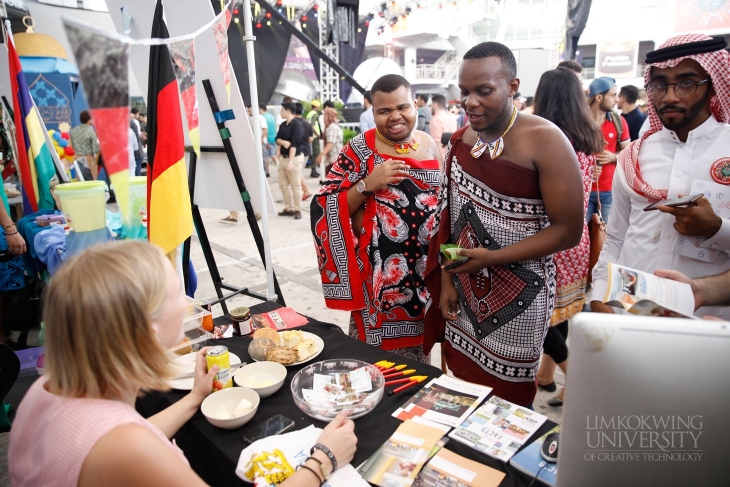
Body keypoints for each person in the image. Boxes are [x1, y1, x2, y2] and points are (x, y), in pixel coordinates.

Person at [8, 240, 357, 486]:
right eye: (178, 292)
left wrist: (194, 398)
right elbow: (126, 446)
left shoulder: (47, 387)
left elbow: (130, 435)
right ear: (147, 328)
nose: (190, 301)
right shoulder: (124, 448)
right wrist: (323, 459)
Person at [423, 42, 584, 407]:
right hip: (463, 294)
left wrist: (493, 258)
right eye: (465, 92)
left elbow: (568, 230)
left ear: (513, 86)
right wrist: (448, 279)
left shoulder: (546, 141)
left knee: (505, 405)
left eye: (484, 91)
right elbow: (451, 220)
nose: (471, 102)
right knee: (461, 394)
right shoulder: (464, 139)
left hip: (521, 302)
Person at [591, 34, 730, 321]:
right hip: (630, 314)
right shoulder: (634, 156)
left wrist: (716, 229)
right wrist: (599, 293)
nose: (669, 96)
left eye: (686, 83)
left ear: (713, 82)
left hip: (707, 323)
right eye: (659, 85)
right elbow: (616, 237)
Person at [311, 74, 442, 362]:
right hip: (377, 286)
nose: (395, 117)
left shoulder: (429, 144)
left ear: (415, 105)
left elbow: (443, 202)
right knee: (370, 367)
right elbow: (323, 204)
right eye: (384, 111)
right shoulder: (359, 150)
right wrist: (368, 183)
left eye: (403, 107)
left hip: (422, 278)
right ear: (374, 113)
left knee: (417, 370)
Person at [532, 67, 604, 407]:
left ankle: (575, 378)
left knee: (540, 318)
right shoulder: (587, 136)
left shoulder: (546, 140)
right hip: (576, 242)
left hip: (550, 242)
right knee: (558, 314)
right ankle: (546, 376)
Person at [587, 77, 630, 224]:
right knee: (577, 238)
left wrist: (613, 157)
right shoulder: (578, 122)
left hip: (609, 191)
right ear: (599, 97)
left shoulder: (619, 122)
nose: (617, 99)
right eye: (613, 95)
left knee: (607, 236)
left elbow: (629, 154)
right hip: (581, 191)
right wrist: (585, 168)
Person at [220, 106, 268, 224]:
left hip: (242, 157)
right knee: (244, 185)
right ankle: (252, 212)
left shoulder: (243, 122)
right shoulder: (248, 121)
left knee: (236, 185)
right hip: (244, 157)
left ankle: (236, 214)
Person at [276, 102, 308, 220]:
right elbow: (277, 138)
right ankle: (288, 208)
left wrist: (290, 162)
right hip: (283, 158)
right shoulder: (283, 124)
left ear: (288, 111)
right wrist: (283, 142)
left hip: (294, 158)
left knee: (295, 185)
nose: (281, 112)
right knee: (283, 185)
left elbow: (294, 144)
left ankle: (297, 209)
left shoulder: (297, 125)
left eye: (282, 110)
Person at [69, 110, 100, 179]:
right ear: (89, 120)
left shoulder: (73, 131)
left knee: (80, 183)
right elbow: (95, 149)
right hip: (89, 161)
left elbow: (71, 146)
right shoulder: (91, 131)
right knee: (92, 183)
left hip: (77, 160)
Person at [315, 107, 343, 178]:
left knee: (331, 186)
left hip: (333, 161)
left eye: (325, 116)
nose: (323, 118)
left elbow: (330, 143)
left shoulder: (332, 128)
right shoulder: (334, 127)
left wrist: (321, 155)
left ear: (330, 117)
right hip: (335, 160)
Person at [295, 102, 314, 201]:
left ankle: (306, 191)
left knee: (298, 172)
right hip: (307, 150)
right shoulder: (307, 123)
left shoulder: (293, 123)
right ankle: (305, 191)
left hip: (298, 151)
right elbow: (311, 139)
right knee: (299, 171)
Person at [306, 100, 323, 178]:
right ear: (316, 107)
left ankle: (314, 170)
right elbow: (312, 126)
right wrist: (317, 134)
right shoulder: (314, 114)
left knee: (314, 153)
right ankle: (313, 170)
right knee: (316, 153)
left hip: (310, 135)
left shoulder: (309, 114)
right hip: (315, 137)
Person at [260, 104, 276, 177]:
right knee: (267, 156)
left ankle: (280, 167)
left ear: (260, 109)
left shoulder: (262, 117)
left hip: (267, 139)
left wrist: (265, 140)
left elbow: (265, 130)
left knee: (271, 155)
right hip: (273, 137)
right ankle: (267, 171)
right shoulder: (271, 116)